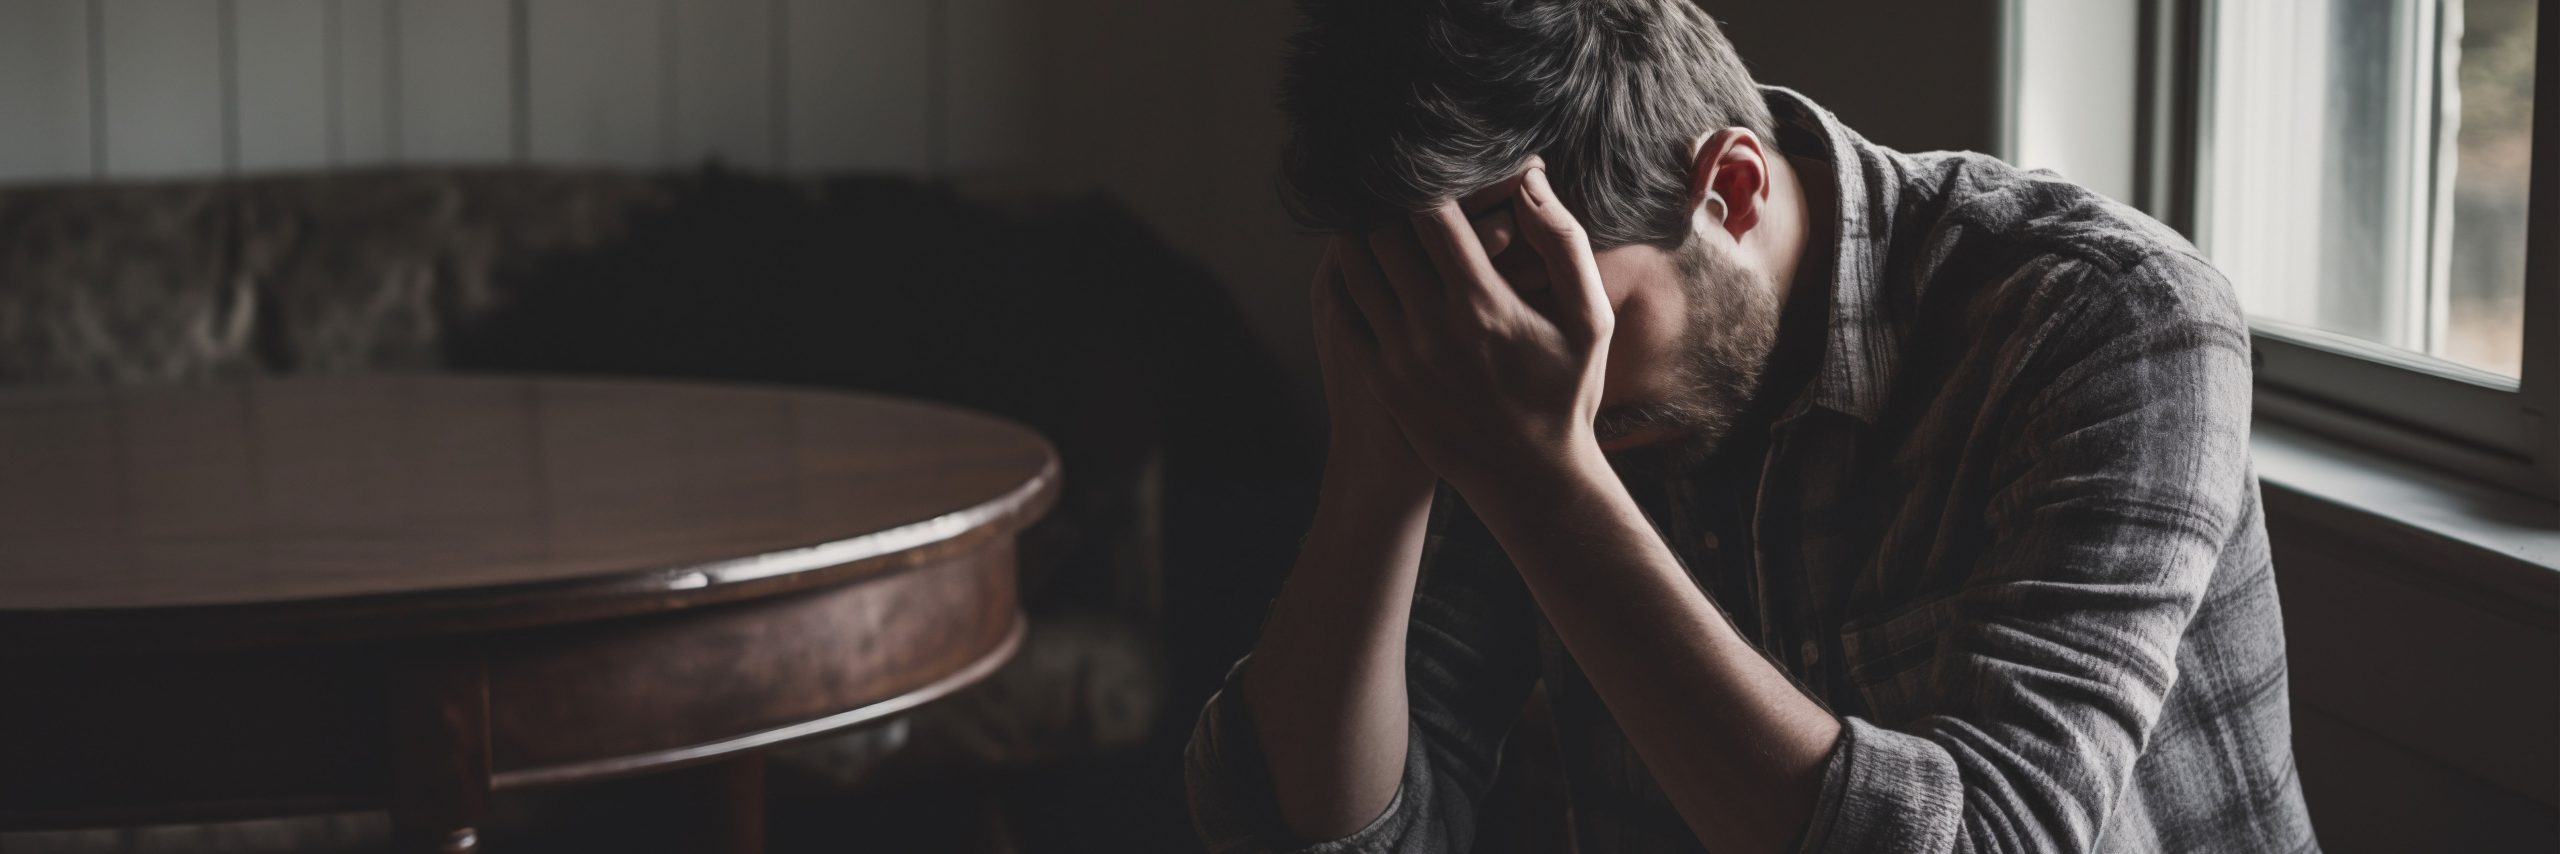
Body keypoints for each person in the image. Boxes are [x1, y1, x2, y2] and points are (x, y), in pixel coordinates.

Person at [1183, 1, 2320, 852]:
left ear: (1729, 191)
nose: (1545, 383)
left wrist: (1545, 480)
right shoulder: (1485, 380)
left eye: (1577, 320)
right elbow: (1317, 830)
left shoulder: (2105, 319)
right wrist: (1376, 469)